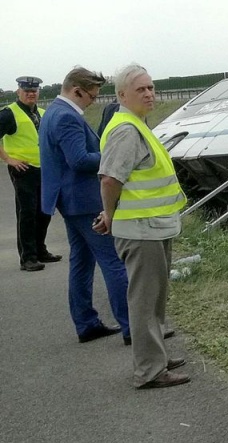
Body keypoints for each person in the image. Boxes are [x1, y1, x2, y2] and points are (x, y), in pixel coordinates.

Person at [96, 63, 189, 389]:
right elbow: (109, 179)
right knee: (144, 301)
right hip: (140, 229)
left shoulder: (137, 124)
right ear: (122, 95)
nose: (150, 93)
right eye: (141, 89)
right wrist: (109, 215)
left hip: (154, 226)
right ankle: (149, 370)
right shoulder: (126, 130)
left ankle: (157, 356)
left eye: (151, 87)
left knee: (156, 298)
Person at [38, 67, 131, 343]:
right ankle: (133, 328)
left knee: (81, 262)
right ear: (76, 91)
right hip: (85, 201)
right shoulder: (66, 117)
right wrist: (112, 155)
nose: (93, 101)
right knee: (114, 261)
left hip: (69, 201)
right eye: (91, 96)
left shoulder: (52, 112)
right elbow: (78, 160)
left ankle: (86, 323)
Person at [0, 76, 60, 272]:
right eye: (26, 90)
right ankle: (28, 258)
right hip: (23, 170)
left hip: (43, 169)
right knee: (27, 213)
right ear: (18, 91)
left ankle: (40, 250)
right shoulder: (10, 113)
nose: (31, 93)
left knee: (44, 212)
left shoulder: (42, 113)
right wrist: (9, 159)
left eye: (34, 90)